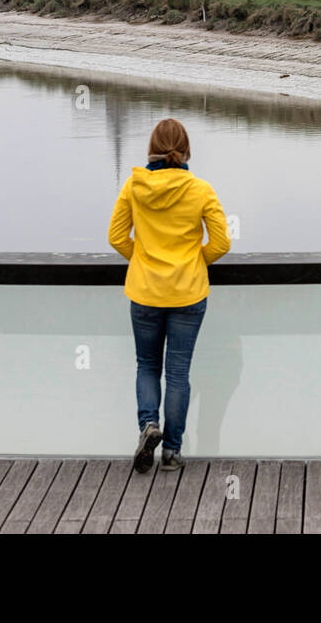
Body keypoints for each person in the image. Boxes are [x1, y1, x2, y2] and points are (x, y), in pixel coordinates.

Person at [108, 118, 231, 473]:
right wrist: (193, 262)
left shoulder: (134, 186)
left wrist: (145, 261)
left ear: (151, 148)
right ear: (186, 149)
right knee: (178, 372)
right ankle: (173, 452)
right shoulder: (201, 189)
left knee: (147, 365)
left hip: (145, 293)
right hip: (188, 293)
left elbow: (117, 237)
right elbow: (222, 242)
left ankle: (149, 425)